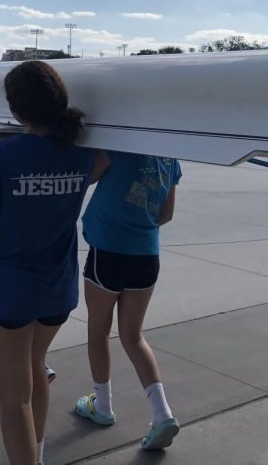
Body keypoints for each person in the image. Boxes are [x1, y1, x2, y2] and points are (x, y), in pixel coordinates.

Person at [0, 60, 108, 465]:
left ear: (16, 111)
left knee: (14, 401)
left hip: (9, 296)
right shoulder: (81, 156)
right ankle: (39, 454)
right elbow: (106, 161)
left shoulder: (3, 155)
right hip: (57, 294)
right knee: (35, 367)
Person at [74, 151, 182, 451]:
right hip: (147, 254)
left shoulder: (116, 149)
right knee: (133, 336)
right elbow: (166, 214)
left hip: (108, 250)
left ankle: (103, 406)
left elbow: (82, 178)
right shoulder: (171, 160)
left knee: (98, 332)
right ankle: (162, 414)